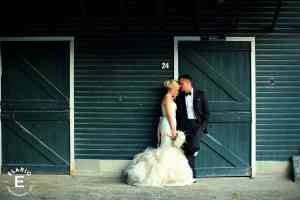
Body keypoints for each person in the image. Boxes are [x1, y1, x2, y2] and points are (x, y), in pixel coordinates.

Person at [123, 79, 194, 187]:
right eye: (177, 90)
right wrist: (174, 131)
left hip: (168, 124)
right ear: (173, 89)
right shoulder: (167, 98)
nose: (178, 92)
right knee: (166, 149)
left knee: (168, 149)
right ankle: (162, 176)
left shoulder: (169, 98)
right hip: (168, 126)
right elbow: (170, 116)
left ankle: (168, 176)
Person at [176, 74, 210, 179]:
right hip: (184, 125)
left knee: (193, 146)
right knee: (186, 150)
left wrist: (203, 127)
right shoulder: (179, 96)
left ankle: (195, 150)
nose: (180, 86)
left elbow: (207, 113)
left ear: (187, 83)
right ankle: (192, 176)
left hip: (197, 125)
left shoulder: (201, 94)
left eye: (181, 84)